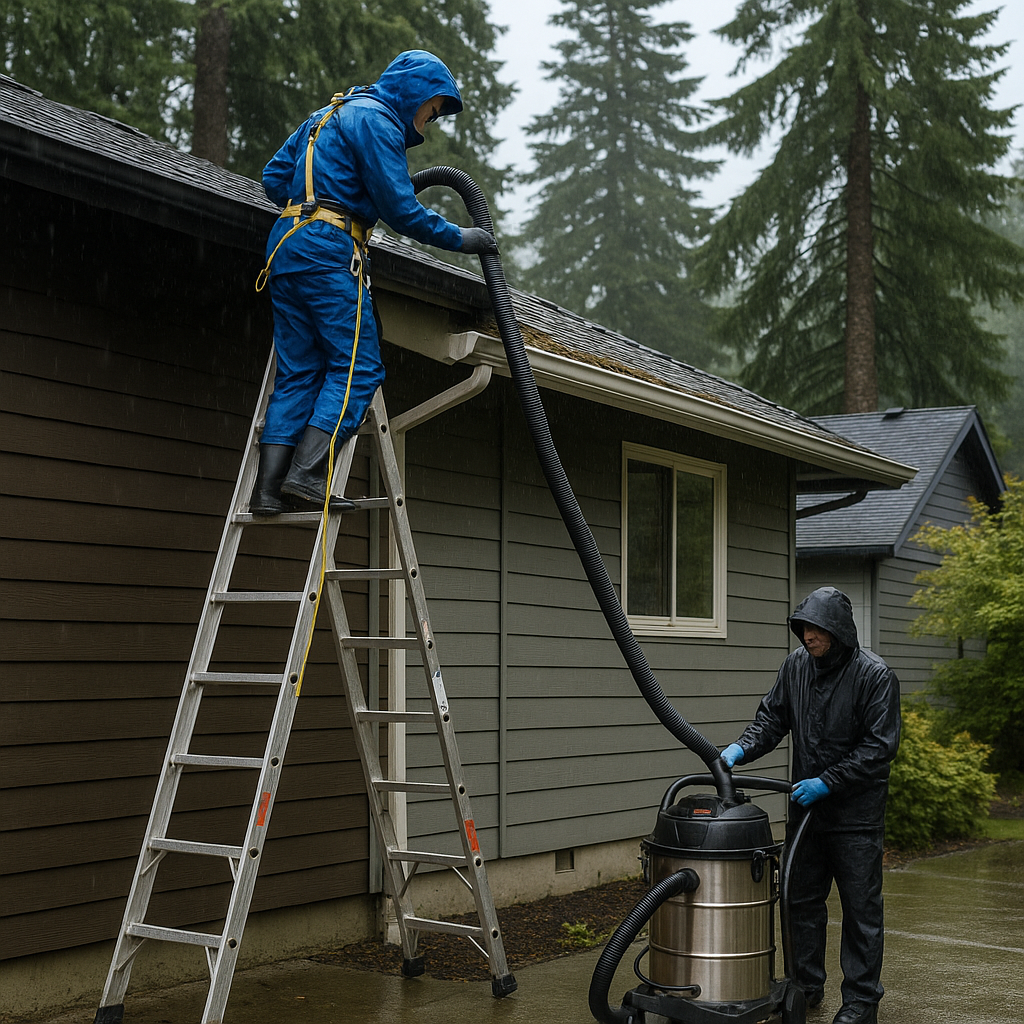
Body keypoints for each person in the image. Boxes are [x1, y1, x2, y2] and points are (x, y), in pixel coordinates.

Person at [251, 49, 498, 514]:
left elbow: (272, 178)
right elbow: (402, 210)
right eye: (434, 108)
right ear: (416, 94)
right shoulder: (377, 120)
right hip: (330, 250)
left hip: (285, 247)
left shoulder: (327, 114)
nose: (432, 120)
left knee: (300, 371)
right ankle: (305, 478)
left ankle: (266, 491)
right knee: (358, 368)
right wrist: (463, 238)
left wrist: (327, 187)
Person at [719, 587, 901, 1024]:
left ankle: (860, 1003)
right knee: (799, 902)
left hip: (855, 819)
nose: (807, 636)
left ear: (837, 630)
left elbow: (879, 748)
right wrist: (741, 749)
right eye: (803, 627)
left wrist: (828, 782)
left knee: (861, 912)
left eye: (816, 628)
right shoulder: (796, 666)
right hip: (807, 816)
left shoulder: (874, 676)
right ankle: (804, 987)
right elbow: (772, 719)